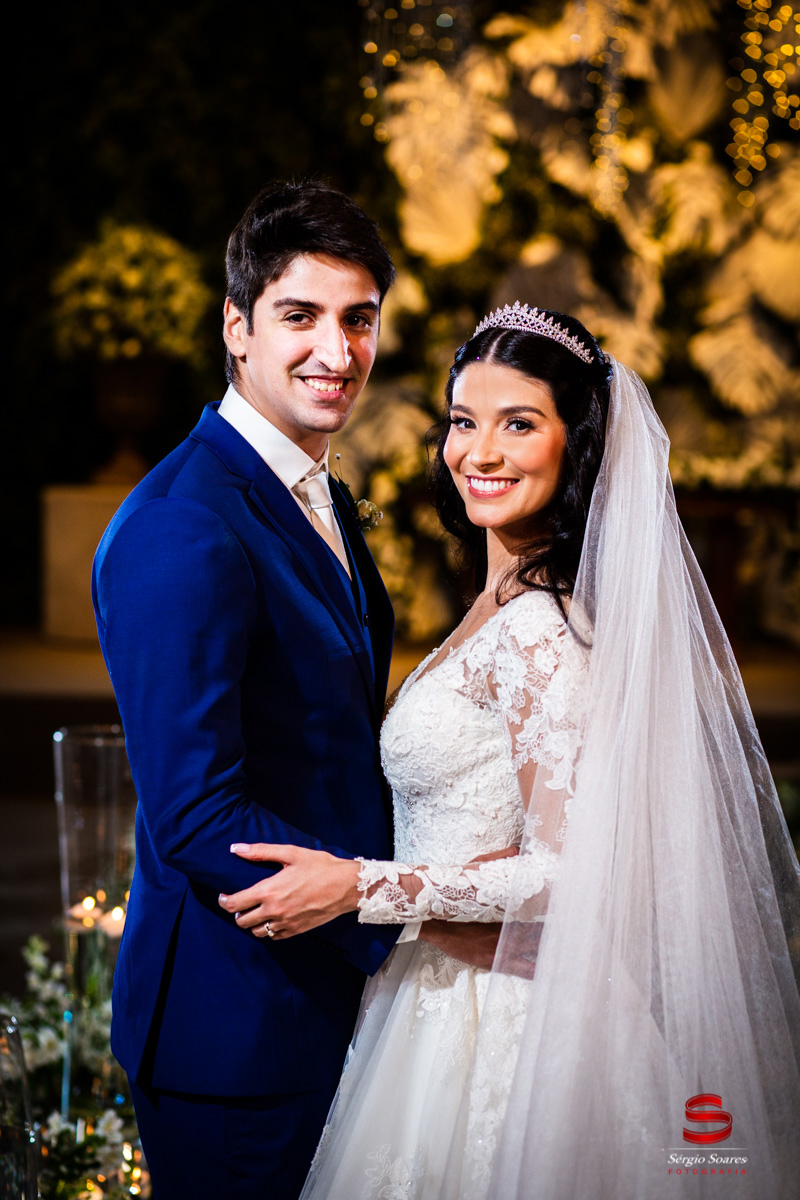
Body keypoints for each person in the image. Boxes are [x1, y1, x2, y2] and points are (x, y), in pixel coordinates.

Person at [220, 303, 800, 1199]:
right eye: (464, 421)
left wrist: (362, 888)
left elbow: (573, 872)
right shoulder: (492, 608)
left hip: (503, 1015)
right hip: (437, 986)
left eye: (519, 424)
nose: (479, 452)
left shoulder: (539, 631)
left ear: (578, 447)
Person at [94, 180, 419, 1198]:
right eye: (300, 316)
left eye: (358, 319)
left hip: (313, 1002)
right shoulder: (183, 521)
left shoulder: (308, 489)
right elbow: (196, 811)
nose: (337, 350)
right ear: (236, 327)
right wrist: (390, 907)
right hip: (236, 1032)